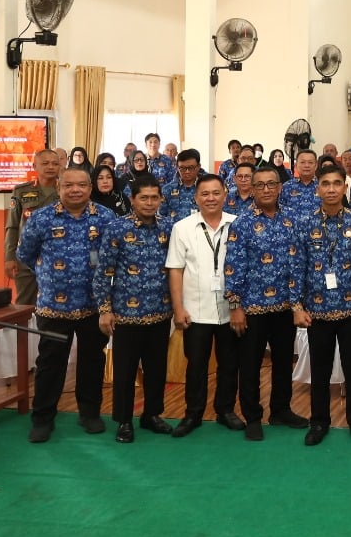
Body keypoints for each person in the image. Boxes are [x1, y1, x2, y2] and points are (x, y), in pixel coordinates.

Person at [16, 167, 118, 442]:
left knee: (92, 361)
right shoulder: (41, 218)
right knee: (50, 363)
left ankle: (89, 413)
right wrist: (50, 276)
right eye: (69, 185)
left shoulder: (106, 218)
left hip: (93, 305)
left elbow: (114, 257)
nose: (75, 190)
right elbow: (24, 253)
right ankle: (42, 419)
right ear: (59, 187)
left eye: (82, 185)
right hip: (53, 306)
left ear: (90, 188)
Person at [223, 167, 310, 441]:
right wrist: (235, 305)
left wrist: (297, 304)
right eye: (259, 185)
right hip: (252, 307)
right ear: (253, 189)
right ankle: (253, 416)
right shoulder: (242, 222)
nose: (265, 190)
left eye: (271, 184)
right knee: (250, 365)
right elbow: (233, 266)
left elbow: (299, 264)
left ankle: (281, 409)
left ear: (280, 187)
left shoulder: (293, 220)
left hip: (285, 307)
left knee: (284, 362)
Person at [292, 166, 351, 447]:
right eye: (325, 184)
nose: (331, 189)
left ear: (344, 188)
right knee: (320, 370)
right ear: (318, 188)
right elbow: (297, 266)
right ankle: (319, 421)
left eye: (337, 183)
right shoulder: (304, 223)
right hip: (317, 310)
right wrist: (297, 306)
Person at [95, 173, 174, 442]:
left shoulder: (169, 228)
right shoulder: (118, 229)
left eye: (154, 198)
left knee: (156, 370)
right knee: (126, 372)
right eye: (144, 198)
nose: (150, 203)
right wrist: (105, 309)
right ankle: (124, 420)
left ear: (161, 199)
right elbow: (104, 272)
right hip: (125, 315)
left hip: (161, 313)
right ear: (132, 199)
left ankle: (152, 415)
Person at [166, 173, 243, 437]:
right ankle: (193, 413)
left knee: (229, 364)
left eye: (215, 193)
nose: (210, 198)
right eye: (205, 194)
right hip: (195, 310)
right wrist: (178, 308)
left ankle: (225, 410)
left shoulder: (238, 225)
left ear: (225, 195)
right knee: (196, 365)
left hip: (229, 310)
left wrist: (240, 306)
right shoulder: (182, 227)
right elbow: (175, 270)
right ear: (196, 197)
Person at [4, 148, 62, 305]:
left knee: (56, 304)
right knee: (24, 304)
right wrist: (10, 257)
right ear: (34, 166)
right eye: (45, 163)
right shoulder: (22, 191)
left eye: (55, 164)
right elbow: (13, 226)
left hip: (57, 258)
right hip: (27, 257)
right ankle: (23, 331)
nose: (51, 167)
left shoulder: (66, 191)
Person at [162, 148, 202, 222]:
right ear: (177, 167)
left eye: (191, 168)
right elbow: (161, 216)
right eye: (182, 168)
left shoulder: (205, 188)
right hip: (174, 231)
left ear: (198, 167)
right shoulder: (167, 189)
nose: (187, 172)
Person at [281, 149, 319, 213]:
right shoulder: (287, 186)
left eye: (310, 162)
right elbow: (280, 209)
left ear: (316, 166)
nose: (306, 166)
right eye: (302, 162)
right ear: (296, 166)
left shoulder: (323, 186)